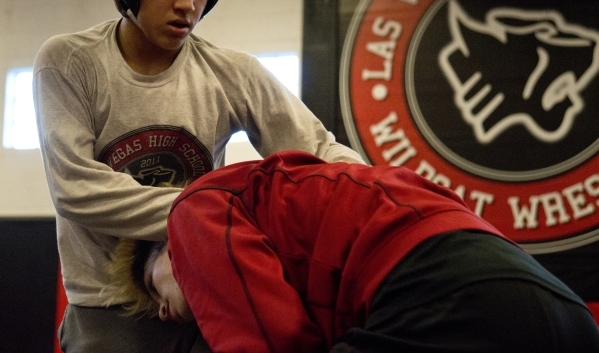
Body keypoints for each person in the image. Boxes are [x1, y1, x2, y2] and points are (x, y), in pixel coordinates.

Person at [32, 0, 364, 351]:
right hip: (106, 309)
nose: (188, 4)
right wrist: (217, 211)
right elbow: (76, 190)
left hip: (203, 294)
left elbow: (320, 155)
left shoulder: (233, 73)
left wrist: (380, 197)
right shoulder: (71, 62)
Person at [110, 150, 599, 353]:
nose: (162, 312)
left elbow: (272, 343)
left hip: (448, 296)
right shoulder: (310, 193)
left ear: (171, 251)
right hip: (562, 307)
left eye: (154, 286)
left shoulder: (190, 212)